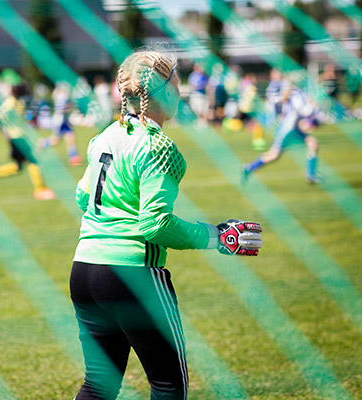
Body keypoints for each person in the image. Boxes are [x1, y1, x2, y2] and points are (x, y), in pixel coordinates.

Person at [70, 48, 263, 400]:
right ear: (168, 91)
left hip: (84, 270)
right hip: (132, 274)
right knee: (169, 386)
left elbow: (83, 199)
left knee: (99, 384)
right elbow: (155, 225)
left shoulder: (104, 137)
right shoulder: (159, 146)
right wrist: (215, 236)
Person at [0, 82, 55, 200]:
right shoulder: (10, 103)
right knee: (34, 161)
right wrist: (6, 130)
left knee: (18, 167)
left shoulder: (17, 103)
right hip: (17, 138)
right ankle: (40, 190)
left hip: (20, 137)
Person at [242, 78, 320, 184]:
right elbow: (304, 110)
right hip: (288, 130)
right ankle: (249, 168)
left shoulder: (295, 94)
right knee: (274, 155)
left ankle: (311, 175)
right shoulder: (296, 94)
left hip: (292, 129)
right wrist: (313, 106)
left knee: (312, 143)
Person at [38, 81, 83, 166]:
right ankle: (43, 143)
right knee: (57, 139)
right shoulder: (63, 96)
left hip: (62, 120)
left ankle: (73, 157)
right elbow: (62, 110)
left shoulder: (59, 95)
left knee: (70, 137)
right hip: (60, 121)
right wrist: (70, 108)